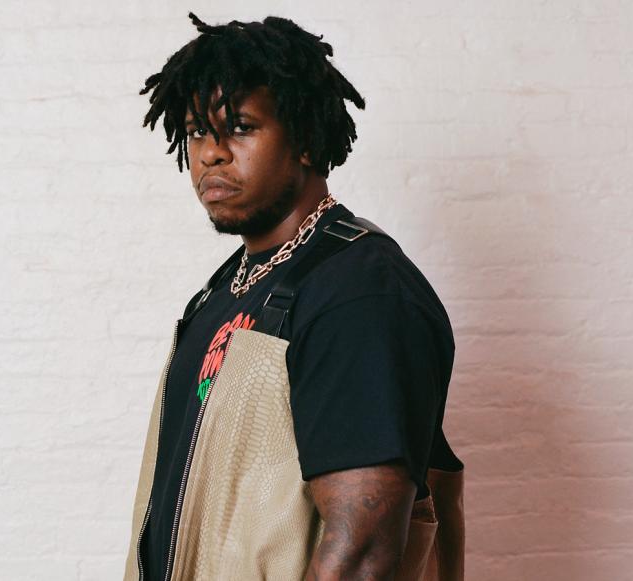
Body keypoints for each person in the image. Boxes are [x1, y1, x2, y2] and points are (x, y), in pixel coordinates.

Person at [124, 12, 465, 581]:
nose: (210, 152)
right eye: (195, 132)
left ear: (305, 139)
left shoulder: (358, 294)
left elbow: (362, 554)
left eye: (239, 126)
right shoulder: (226, 289)